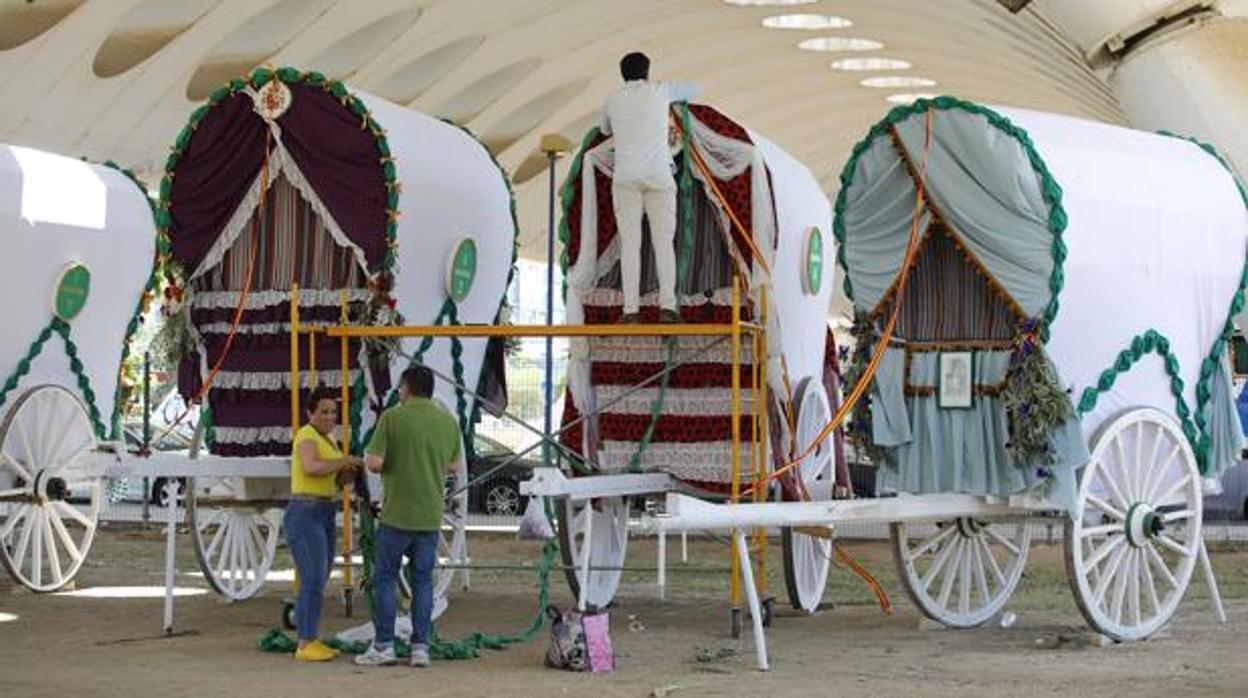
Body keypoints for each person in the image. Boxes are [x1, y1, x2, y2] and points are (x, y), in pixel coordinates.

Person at [355, 366, 463, 669]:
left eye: (400, 388)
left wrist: (372, 459)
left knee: (385, 579)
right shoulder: (447, 422)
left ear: (407, 387)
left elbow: (374, 463)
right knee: (423, 583)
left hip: (396, 515)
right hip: (430, 515)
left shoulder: (392, 418)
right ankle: (420, 648)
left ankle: (385, 645)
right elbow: (454, 466)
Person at [601, 51, 701, 324]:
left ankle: (630, 311)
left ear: (622, 74)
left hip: (625, 178)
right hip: (658, 175)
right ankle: (667, 308)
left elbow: (604, 129)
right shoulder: (661, 91)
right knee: (663, 243)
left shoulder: (612, 100)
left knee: (630, 246)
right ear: (647, 72)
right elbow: (697, 89)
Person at [284, 387, 361, 662]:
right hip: (305, 511)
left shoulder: (329, 440)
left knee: (320, 576)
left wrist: (347, 473)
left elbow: (331, 477)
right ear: (310, 413)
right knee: (313, 579)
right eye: (324, 411)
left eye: (333, 412)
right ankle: (305, 642)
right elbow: (311, 467)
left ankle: (310, 637)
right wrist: (344, 460)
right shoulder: (306, 435)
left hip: (324, 511)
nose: (329, 417)